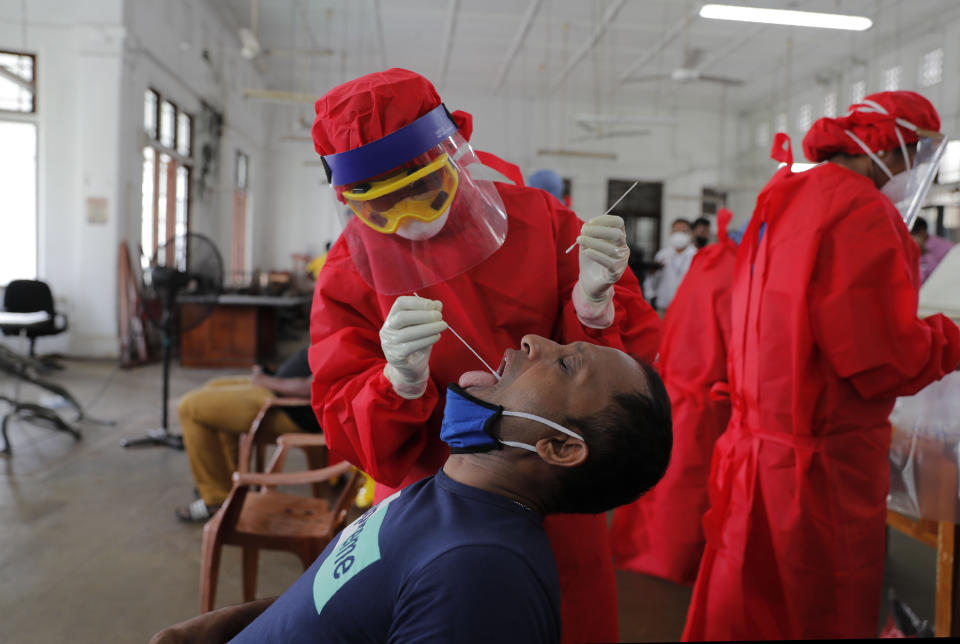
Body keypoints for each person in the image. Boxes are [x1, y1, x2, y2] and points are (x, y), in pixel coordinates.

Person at [308, 68, 662, 643]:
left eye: (421, 188)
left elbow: (624, 384)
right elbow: (343, 416)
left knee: (567, 618)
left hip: (555, 485)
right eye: (382, 207)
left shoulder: (539, 220)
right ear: (350, 202)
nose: (410, 218)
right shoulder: (350, 271)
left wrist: (594, 309)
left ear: (453, 152)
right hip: (436, 495)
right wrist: (394, 382)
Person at [683, 91, 960, 641]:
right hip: (821, 467)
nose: (914, 173)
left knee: (752, 605)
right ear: (892, 148)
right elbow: (882, 359)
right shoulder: (861, 209)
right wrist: (951, 339)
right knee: (824, 607)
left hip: (757, 451)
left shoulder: (784, 194)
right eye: (916, 156)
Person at [225, 335, 672, 644]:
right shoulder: (447, 497)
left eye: (565, 363)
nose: (534, 340)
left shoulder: (482, 574)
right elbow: (346, 605)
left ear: (558, 446)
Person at [609, 207, 738, 585]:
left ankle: (653, 553)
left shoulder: (709, 267)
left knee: (666, 479)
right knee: (686, 487)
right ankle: (678, 560)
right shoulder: (730, 274)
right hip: (704, 399)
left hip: (676, 389)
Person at [176, 348, 317, 522]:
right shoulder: (340, 327)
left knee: (190, 407)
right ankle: (230, 485)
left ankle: (216, 499)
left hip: (290, 407)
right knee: (214, 386)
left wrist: (266, 380)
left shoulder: (343, 329)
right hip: (280, 390)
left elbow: (311, 387)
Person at [643, 218, 697, 311]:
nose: (679, 234)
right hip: (664, 308)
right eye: (676, 230)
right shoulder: (662, 255)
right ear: (670, 233)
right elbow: (651, 284)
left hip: (689, 309)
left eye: (683, 231)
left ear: (691, 234)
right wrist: (653, 274)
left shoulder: (696, 256)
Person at [911, 216, 955, 283]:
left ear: (922, 233)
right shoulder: (913, 250)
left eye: (911, 236)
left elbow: (941, 275)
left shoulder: (946, 248)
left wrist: (925, 254)